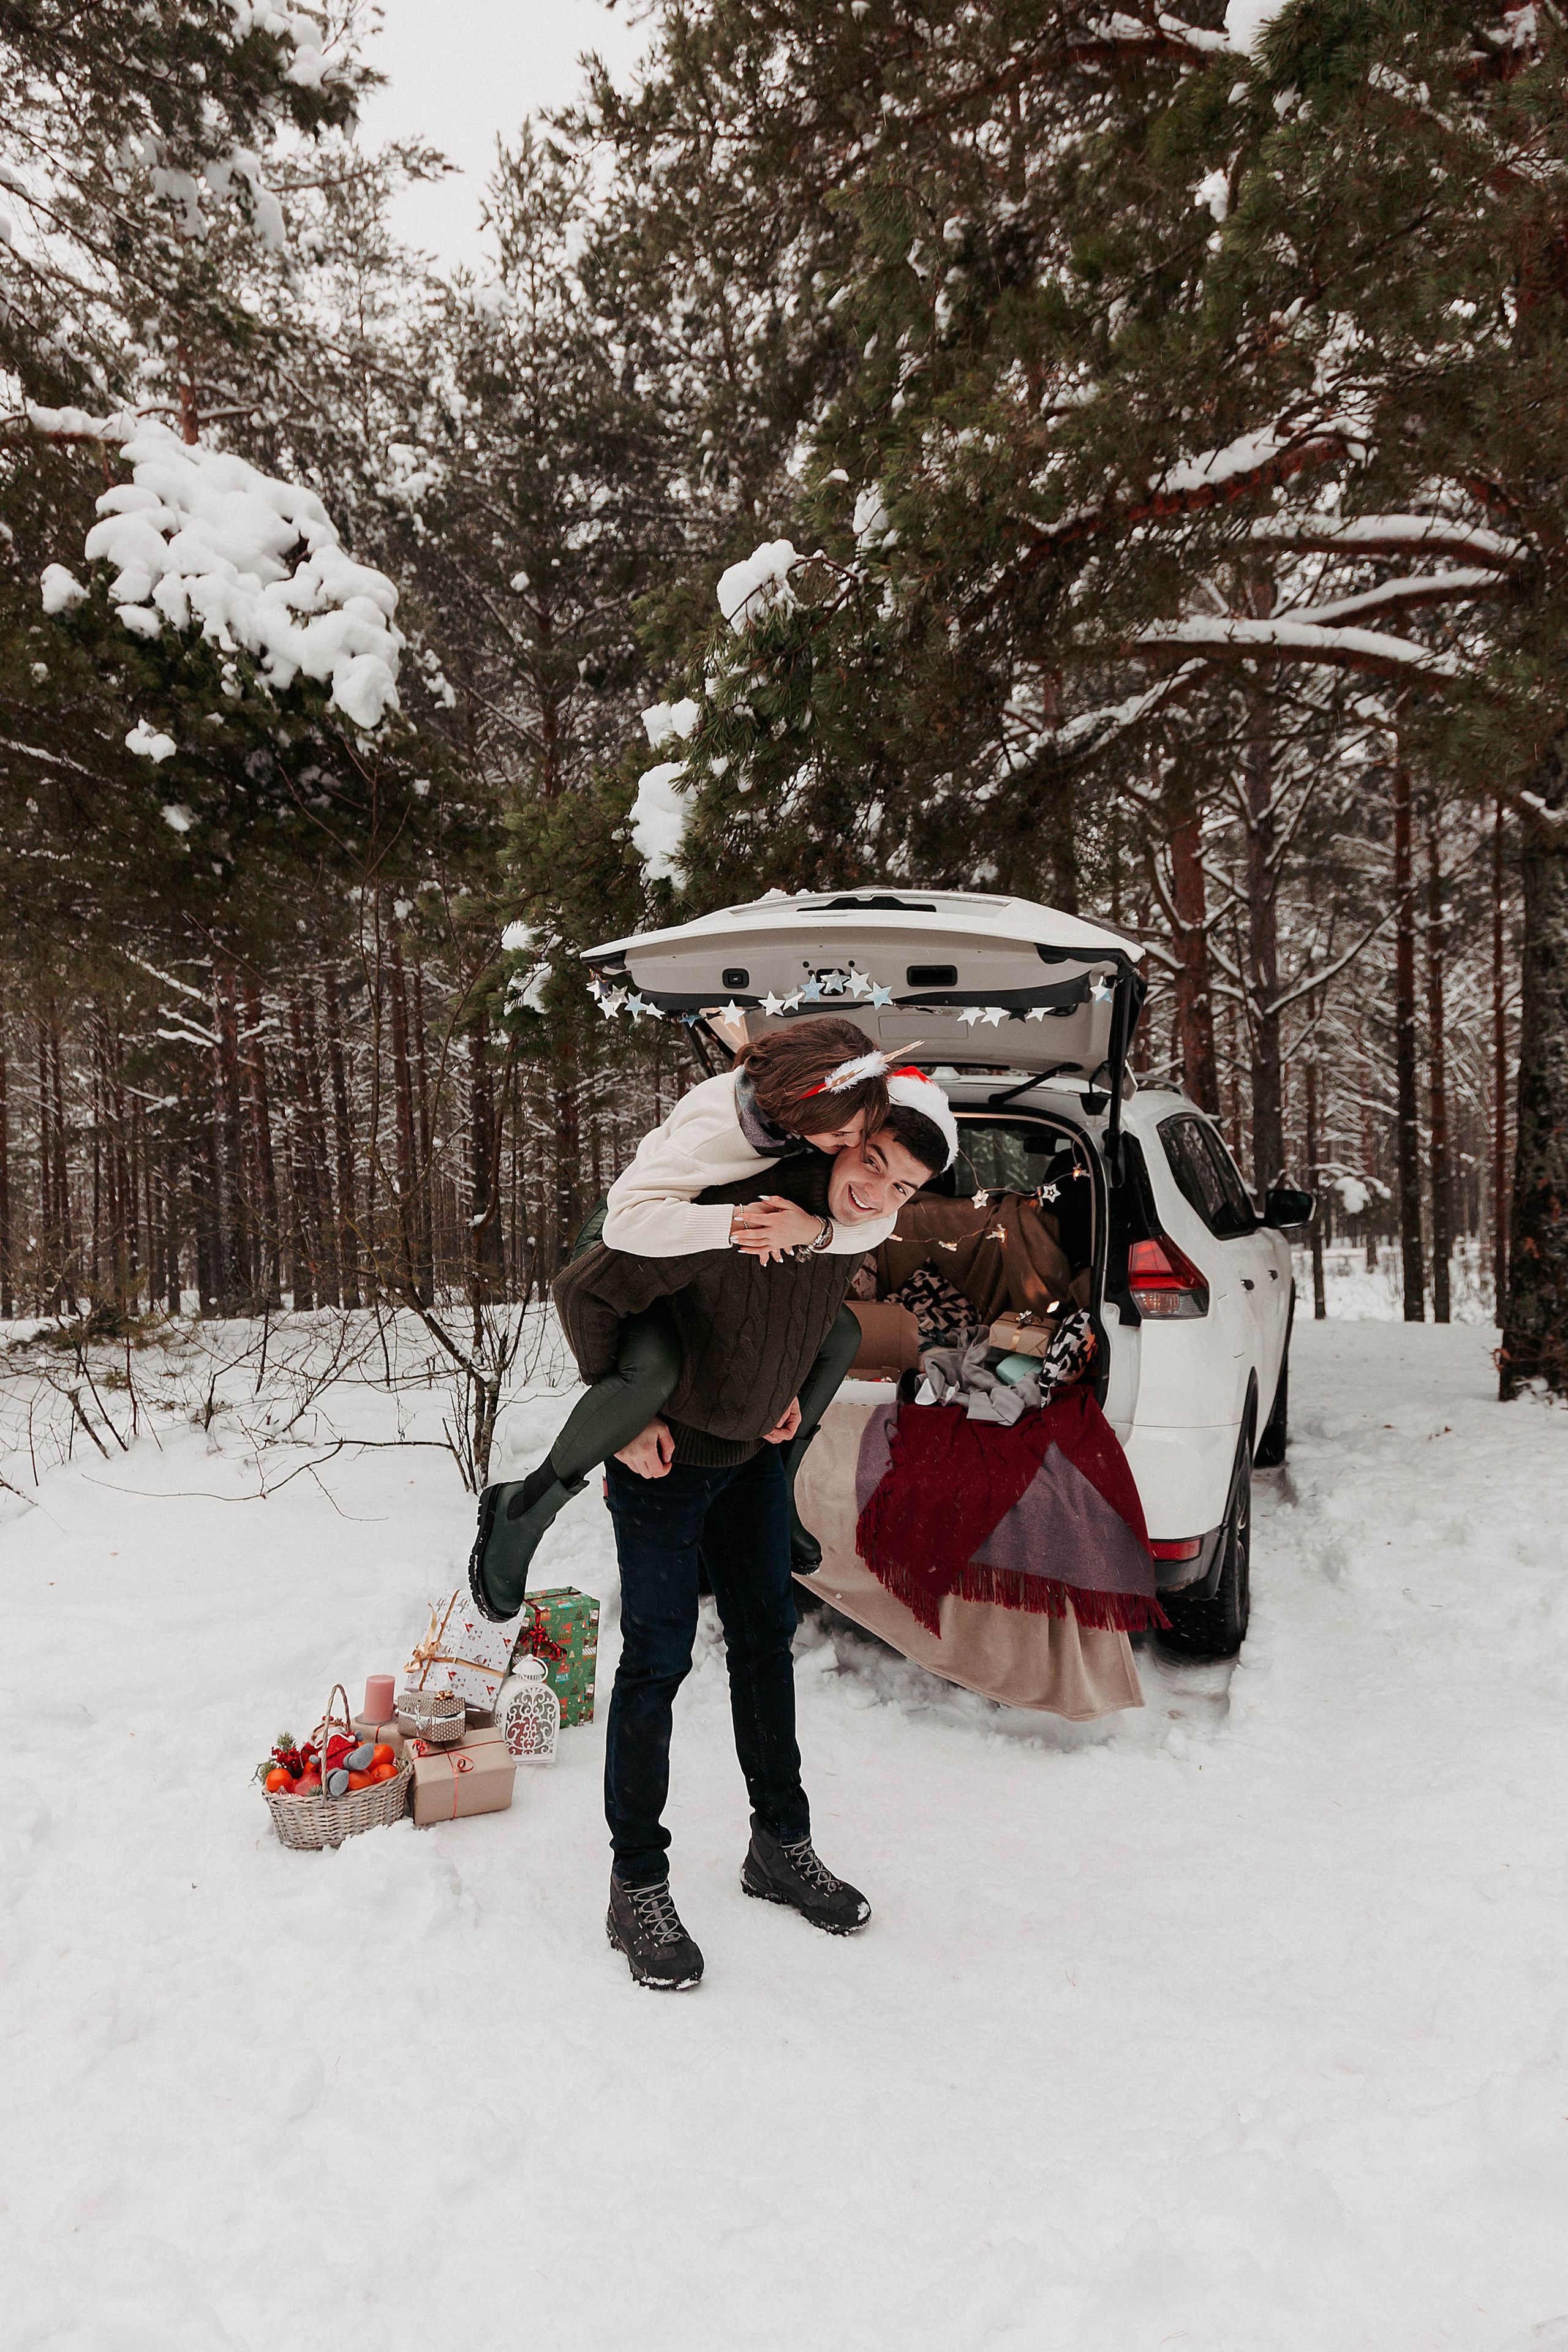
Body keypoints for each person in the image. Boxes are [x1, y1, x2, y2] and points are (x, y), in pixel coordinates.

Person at [551, 1085, 956, 1990]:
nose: (878, 1193)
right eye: (872, 1164)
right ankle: (635, 1883)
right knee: (657, 1662)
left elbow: (813, 1316)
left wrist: (784, 1386)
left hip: (750, 1464)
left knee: (766, 1644)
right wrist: (622, 1415)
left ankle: (779, 1845)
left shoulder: (845, 1230)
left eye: (902, 1187)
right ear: (844, 1138)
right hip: (664, 1467)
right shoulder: (737, 1207)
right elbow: (586, 1291)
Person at [467, 1021, 936, 1620]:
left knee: (841, 1333)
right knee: (652, 1372)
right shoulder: (721, 1128)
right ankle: (523, 1507)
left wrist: (814, 1232)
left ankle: (783, 1482)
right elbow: (626, 1228)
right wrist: (735, 1225)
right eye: (847, 1136)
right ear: (806, 1105)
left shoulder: (809, 1131)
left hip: (686, 1246)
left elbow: (877, 1221)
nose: (850, 1145)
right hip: (625, 1237)